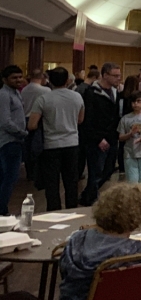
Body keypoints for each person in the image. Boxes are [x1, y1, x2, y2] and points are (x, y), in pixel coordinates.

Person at [28, 67, 84, 210]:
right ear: (67, 80)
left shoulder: (43, 99)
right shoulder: (77, 97)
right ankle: (72, 210)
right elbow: (80, 120)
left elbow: (32, 124)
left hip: (51, 144)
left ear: (48, 80)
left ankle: (54, 211)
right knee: (71, 181)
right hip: (72, 142)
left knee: (51, 182)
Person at [79, 62, 121, 206]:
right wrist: (98, 139)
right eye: (115, 76)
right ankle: (90, 200)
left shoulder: (115, 92)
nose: (118, 78)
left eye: (119, 75)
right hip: (96, 139)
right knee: (96, 172)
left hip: (112, 137)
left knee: (108, 171)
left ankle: (87, 195)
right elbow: (88, 119)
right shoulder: (91, 93)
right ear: (105, 75)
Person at [0, 65, 27, 216]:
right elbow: (5, 121)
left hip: (16, 140)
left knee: (8, 178)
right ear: (5, 80)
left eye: (20, 77)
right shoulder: (4, 95)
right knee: (9, 178)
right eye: (14, 78)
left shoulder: (16, 93)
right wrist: (22, 132)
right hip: (9, 141)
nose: (18, 80)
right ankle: (2, 211)